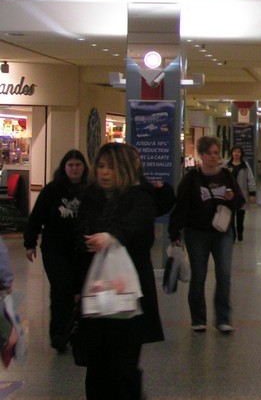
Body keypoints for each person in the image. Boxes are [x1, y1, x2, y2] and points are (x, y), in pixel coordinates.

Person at [76, 143, 164, 400]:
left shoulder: (140, 196)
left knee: (123, 365)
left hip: (127, 294)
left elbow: (137, 224)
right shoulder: (90, 198)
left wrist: (112, 237)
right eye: (101, 166)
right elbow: (77, 240)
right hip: (95, 293)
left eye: (111, 168)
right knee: (97, 366)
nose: (104, 173)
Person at [169, 136, 244, 334]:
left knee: (224, 274)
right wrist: (174, 233)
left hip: (222, 232)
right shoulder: (192, 178)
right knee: (199, 275)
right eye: (209, 153)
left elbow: (240, 201)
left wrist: (232, 197)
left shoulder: (226, 175)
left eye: (216, 153)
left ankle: (223, 319)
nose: (213, 157)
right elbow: (181, 206)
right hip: (197, 233)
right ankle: (198, 318)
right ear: (201, 155)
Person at [23, 149, 88, 352]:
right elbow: (37, 217)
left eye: (78, 165)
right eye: (70, 165)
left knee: (80, 291)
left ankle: (76, 332)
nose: (74, 169)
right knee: (61, 289)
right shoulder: (52, 190)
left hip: (83, 249)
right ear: (64, 167)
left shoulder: (91, 190)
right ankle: (58, 333)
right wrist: (30, 242)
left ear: (84, 168)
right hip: (55, 249)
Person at [225, 146, 256, 242]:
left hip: (241, 194)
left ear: (241, 154)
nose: (236, 153)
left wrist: (252, 193)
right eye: (234, 151)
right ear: (232, 153)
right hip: (230, 193)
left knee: (240, 215)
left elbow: (250, 179)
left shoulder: (245, 165)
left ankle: (240, 232)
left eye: (238, 152)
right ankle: (233, 235)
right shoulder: (226, 165)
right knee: (231, 216)